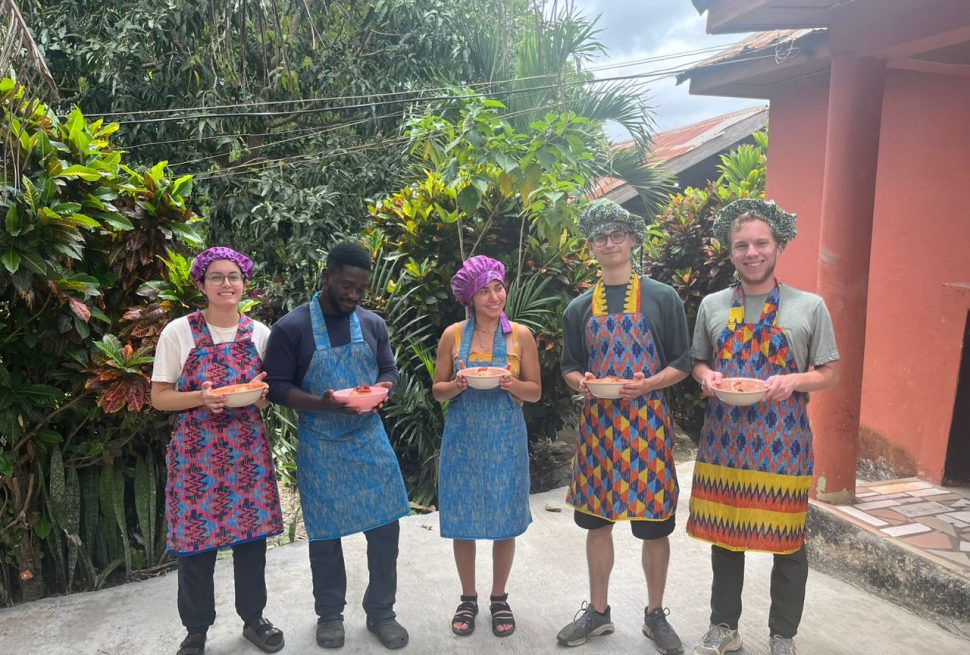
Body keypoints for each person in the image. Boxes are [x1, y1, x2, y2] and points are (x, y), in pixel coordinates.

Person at [687, 199, 840, 655]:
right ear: (731, 251)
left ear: (778, 246)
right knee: (725, 533)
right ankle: (724, 626)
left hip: (784, 440)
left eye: (761, 243)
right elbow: (699, 361)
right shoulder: (713, 305)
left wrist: (793, 380)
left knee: (787, 540)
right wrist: (707, 377)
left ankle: (782, 634)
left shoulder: (809, 306)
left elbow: (829, 373)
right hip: (725, 439)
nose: (751, 253)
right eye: (741, 245)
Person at [557, 199, 691, 655]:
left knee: (654, 526)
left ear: (633, 239)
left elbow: (682, 362)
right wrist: (584, 382)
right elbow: (570, 367)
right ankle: (598, 612)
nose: (609, 243)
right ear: (591, 246)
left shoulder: (662, 297)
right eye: (600, 237)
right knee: (597, 522)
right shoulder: (578, 307)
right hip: (597, 430)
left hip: (647, 427)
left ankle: (655, 614)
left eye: (617, 235)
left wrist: (648, 383)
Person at [263, 240, 410, 651]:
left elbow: (389, 369)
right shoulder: (292, 328)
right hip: (321, 442)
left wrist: (383, 389)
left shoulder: (373, 324)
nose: (354, 295)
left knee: (385, 530)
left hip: (368, 438)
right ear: (326, 276)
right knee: (325, 537)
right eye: (346, 286)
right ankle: (329, 614)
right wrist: (321, 403)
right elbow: (276, 386)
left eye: (361, 289)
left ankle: (382, 612)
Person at [150, 247, 285, 655]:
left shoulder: (260, 334)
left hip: (247, 452)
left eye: (234, 276)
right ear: (201, 285)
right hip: (196, 455)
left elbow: (266, 397)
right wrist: (199, 397)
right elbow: (159, 397)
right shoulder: (179, 332)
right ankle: (196, 631)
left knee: (252, 540)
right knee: (196, 544)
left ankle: (254, 620)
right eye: (216, 277)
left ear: (244, 283)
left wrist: (263, 394)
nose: (226, 284)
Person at [432, 256, 542, 639]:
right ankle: (468, 598)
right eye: (485, 291)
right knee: (462, 520)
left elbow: (535, 392)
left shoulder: (521, 336)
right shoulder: (452, 335)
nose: (495, 297)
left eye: (498, 287)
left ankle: (499, 598)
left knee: (504, 519)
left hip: (506, 439)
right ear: (470, 297)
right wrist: (458, 385)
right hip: (462, 440)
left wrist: (512, 384)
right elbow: (438, 390)